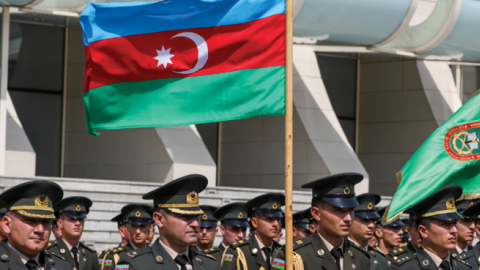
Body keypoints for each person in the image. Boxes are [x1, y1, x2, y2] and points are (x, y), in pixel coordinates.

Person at [115, 174, 220, 270]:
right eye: (185, 216)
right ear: (159, 220)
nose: (196, 224)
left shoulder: (210, 265)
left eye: (197, 217)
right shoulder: (137, 264)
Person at [273, 173, 371, 270]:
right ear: (316, 213)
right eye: (338, 210)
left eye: (351, 210)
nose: (348, 218)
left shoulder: (361, 257)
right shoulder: (290, 255)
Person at [388, 185, 470, 270]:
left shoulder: (464, 267)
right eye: (445, 224)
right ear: (423, 231)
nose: (454, 230)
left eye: (454, 223)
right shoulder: (404, 268)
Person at [0, 180, 73, 270]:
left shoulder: (63, 267)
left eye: (46, 222)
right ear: (7, 224)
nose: (40, 229)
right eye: (31, 220)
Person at [222, 193, 284, 270]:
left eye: (278, 219)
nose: (276, 224)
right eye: (270, 219)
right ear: (255, 222)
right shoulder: (237, 252)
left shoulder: (282, 252)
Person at [46, 196, 99, 270]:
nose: (77, 223)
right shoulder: (49, 252)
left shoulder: (90, 255)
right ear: (60, 223)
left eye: (80, 219)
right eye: (72, 219)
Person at [101, 204, 153, 270]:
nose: (137, 231)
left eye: (142, 226)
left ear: (151, 228)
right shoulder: (115, 256)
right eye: (134, 226)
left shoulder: (155, 255)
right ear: (128, 228)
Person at [349, 193, 388, 270]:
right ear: (350, 221)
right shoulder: (340, 252)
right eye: (365, 220)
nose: (372, 225)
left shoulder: (380, 259)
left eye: (373, 220)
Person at [454, 200, 480, 268]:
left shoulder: (475, 252)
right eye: (466, 220)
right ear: (453, 222)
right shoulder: (444, 255)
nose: (472, 226)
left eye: (473, 221)